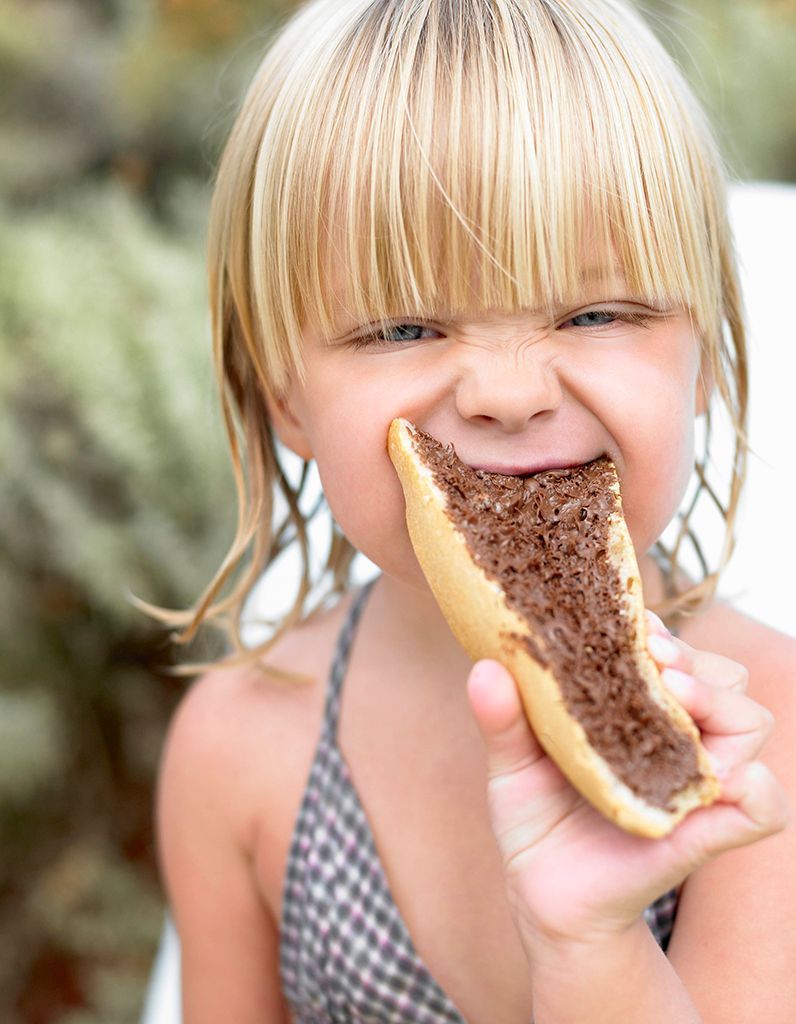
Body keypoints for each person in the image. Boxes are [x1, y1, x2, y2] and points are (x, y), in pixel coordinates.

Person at [155, 1, 795, 1021]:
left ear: (705, 354)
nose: (508, 390)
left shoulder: (766, 740)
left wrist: (589, 941)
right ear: (286, 396)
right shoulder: (237, 749)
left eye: (595, 313)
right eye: (402, 324)